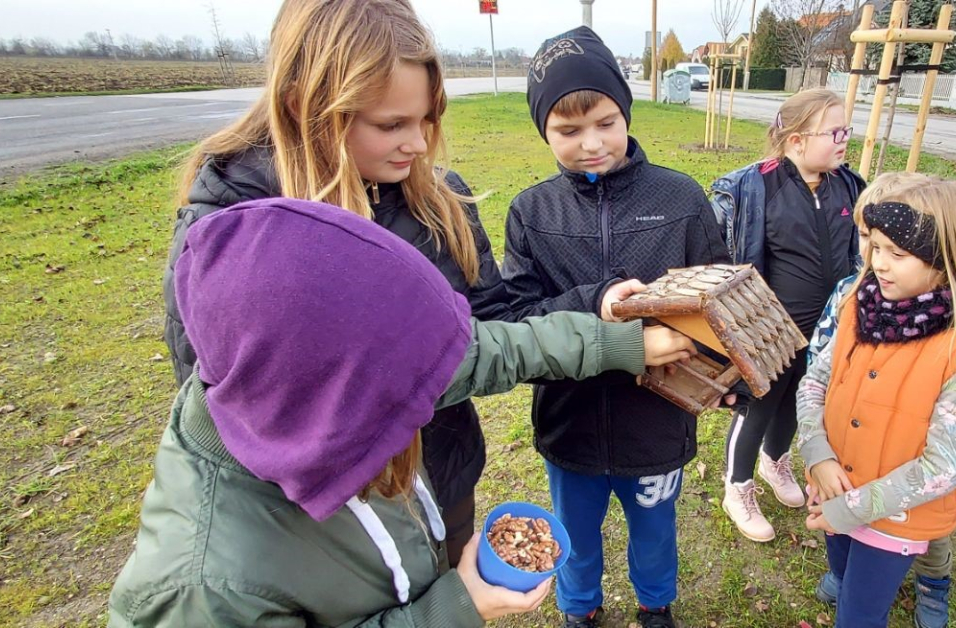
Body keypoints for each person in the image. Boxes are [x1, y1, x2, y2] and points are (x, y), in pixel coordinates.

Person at [108, 198, 699, 626]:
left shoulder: (330, 383)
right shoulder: (202, 590)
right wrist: (455, 606)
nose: (429, 396)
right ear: (339, 390)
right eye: (417, 386)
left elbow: (485, 352)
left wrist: (616, 342)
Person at [161, 0, 517, 565]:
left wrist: (603, 309)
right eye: (391, 124)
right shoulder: (230, 232)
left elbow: (496, 321)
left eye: (426, 118)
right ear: (308, 105)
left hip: (445, 480)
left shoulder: (440, 202)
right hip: (326, 527)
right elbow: (221, 401)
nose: (420, 144)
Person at [502, 26, 731, 628]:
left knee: (655, 530)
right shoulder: (531, 212)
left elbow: (720, 299)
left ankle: (657, 607)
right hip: (569, 422)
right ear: (543, 132)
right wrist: (596, 300)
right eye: (568, 131)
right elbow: (517, 320)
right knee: (575, 536)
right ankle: (581, 610)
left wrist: (729, 374)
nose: (591, 143)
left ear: (624, 110)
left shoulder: (680, 198)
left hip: (656, 423)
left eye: (605, 121)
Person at [796, 177, 956, 628]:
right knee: (841, 554)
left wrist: (850, 509)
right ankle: (840, 574)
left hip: (896, 518)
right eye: (874, 247)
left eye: (898, 253)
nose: (878, 264)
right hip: (832, 482)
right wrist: (816, 452)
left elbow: (944, 467)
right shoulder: (860, 303)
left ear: (944, 257)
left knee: (860, 614)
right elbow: (816, 379)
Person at [709, 88, 865, 542]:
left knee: (800, 400)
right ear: (796, 141)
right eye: (834, 132)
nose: (843, 139)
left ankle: (776, 461)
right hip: (769, 332)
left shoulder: (847, 185)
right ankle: (736, 487)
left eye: (846, 130)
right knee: (760, 405)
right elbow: (722, 256)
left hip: (825, 330)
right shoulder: (756, 186)